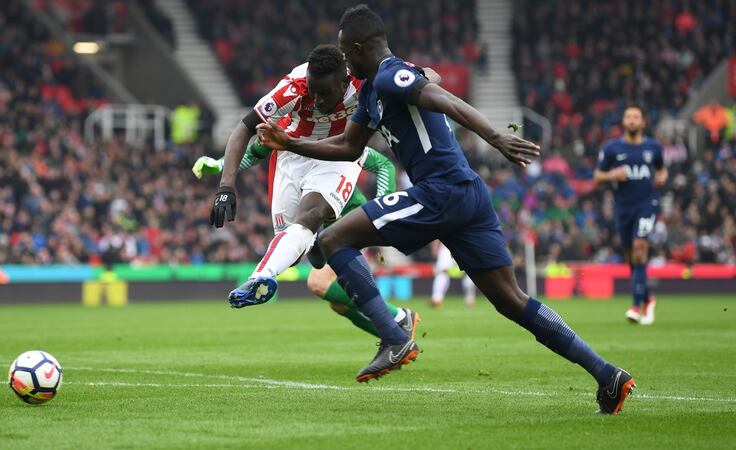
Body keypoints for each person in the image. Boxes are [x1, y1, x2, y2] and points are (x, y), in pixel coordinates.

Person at [257, 4, 634, 415]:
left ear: (362, 47)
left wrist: (495, 136)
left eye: (347, 54)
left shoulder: (389, 74)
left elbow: (443, 97)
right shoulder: (370, 92)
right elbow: (348, 146)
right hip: (466, 195)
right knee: (512, 300)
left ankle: (395, 335)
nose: (345, 64)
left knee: (332, 238)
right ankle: (607, 374)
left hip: (442, 191)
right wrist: (290, 143)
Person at [209, 44, 419, 336]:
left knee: (312, 214)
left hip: (340, 152)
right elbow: (244, 129)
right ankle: (318, 248)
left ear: (345, 82)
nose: (317, 99)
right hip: (291, 156)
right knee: (296, 252)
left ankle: (262, 276)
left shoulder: (365, 79)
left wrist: (424, 82)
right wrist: (226, 187)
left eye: (325, 93)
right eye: (313, 90)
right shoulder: (294, 88)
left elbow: (423, 77)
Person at [195, 142, 415, 338]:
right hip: (322, 225)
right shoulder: (285, 132)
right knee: (338, 303)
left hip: (348, 219)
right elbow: (253, 152)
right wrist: (219, 165)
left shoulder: (331, 139)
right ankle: (396, 335)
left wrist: (377, 209)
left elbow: (383, 165)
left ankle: (398, 321)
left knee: (318, 282)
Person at [594, 105, 668, 325]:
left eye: (636, 116)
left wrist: (662, 177)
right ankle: (648, 299)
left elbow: (662, 168)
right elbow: (597, 177)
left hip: (647, 204)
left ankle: (636, 307)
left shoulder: (653, 147)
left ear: (643, 122)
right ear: (623, 122)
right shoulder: (612, 148)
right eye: (628, 116)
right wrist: (612, 175)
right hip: (623, 208)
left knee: (639, 250)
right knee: (630, 257)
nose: (632, 120)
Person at [430, 242, 477, 308]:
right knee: (442, 272)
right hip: (446, 247)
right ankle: (437, 299)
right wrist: (435, 249)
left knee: (470, 272)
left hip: (464, 246)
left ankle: (470, 298)